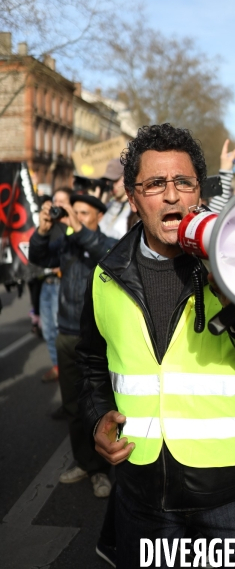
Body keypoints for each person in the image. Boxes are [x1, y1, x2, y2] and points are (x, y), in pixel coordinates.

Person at [76, 123, 235, 568]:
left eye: (183, 182)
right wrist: (93, 421)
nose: (171, 196)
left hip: (233, 498)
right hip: (142, 496)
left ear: (199, 192)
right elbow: (89, 363)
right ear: (132, 197)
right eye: (155, 184)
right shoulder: (106, 275)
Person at [29, 193, 117, 497]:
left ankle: (104, 469)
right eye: (72, 213)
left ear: (99, 217)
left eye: (82, 213)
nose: (74, 217)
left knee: (101, 404)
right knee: (73, 406)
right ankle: (86, 463)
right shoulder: (67, 245)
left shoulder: (108, 243)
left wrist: (78, 229)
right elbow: (38, 257)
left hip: (98, 338)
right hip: (66, 334)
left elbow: (102, 250)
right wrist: (42, 229)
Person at [40, 187, 72, 383]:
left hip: (62, 282)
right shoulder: (48, 223)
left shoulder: (71, 225)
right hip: (46, 282)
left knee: (62, 332)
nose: (57, 205)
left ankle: (67, 371)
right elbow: (37, 250)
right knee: (48, 330)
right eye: (55, 200)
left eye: (62, 201)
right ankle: (57, 365)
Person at [99, 158, 131, 240]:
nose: (112, 185)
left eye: (115, 180)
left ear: (127, 177)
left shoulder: (134, 209)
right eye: (109, 181)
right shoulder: (110, 205)